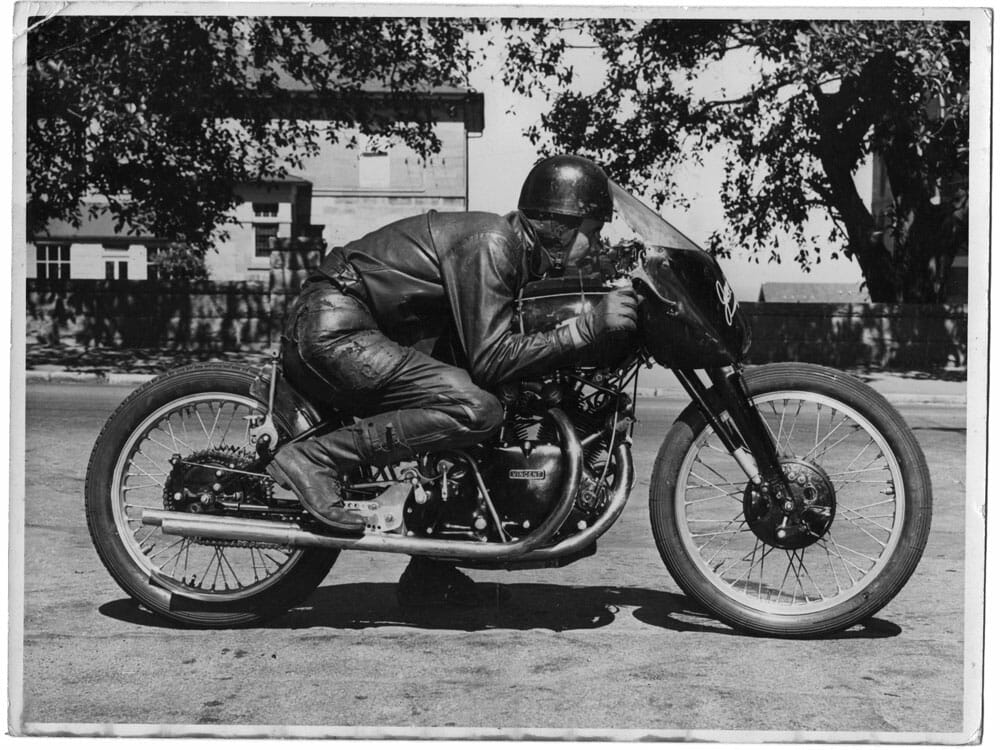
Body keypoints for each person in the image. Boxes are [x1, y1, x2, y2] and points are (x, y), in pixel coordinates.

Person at [267, 154, 638, 606]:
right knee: (475, 409)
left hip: (359, 329)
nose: (595, 245)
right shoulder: (492, 242)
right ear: (561, 223)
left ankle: (430, 569)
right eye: (592, 231)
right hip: (336, 328)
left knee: (498, 405)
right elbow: (491, 359)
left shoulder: (511, 253)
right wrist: (585, 329)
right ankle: (315, 459)